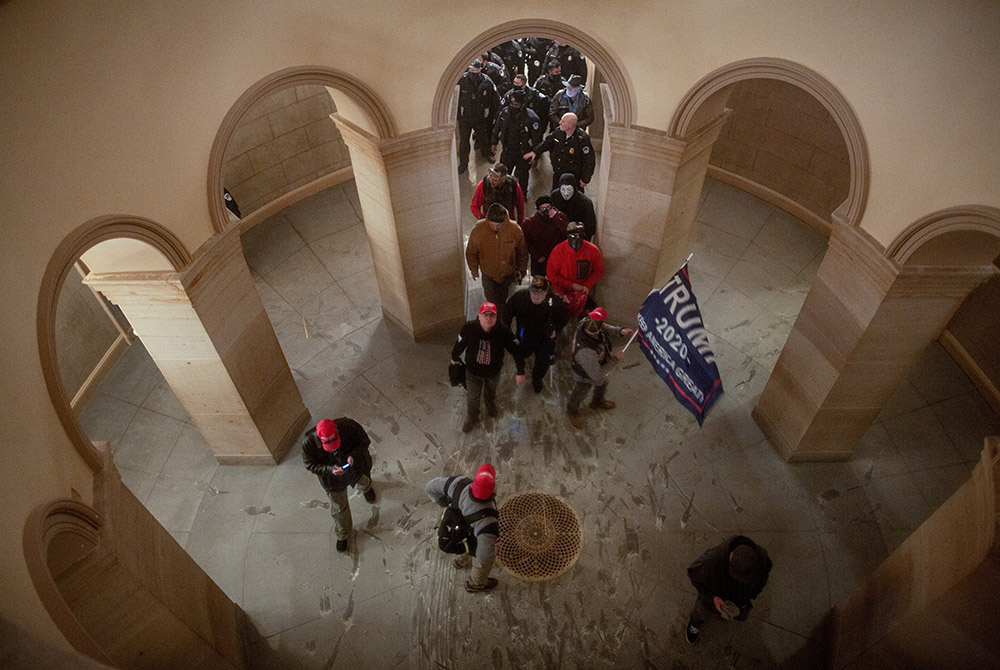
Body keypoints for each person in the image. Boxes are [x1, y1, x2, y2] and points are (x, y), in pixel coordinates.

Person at [301, 418, 376, 553]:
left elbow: (364, 441)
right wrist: (330, 469)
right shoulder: (308, 443)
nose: (333, 447)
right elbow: (310, 465)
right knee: (339, 507)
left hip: (356, 468)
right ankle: (343, 534)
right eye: (328, 443)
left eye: (334, 441)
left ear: (337, 430)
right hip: (332, 479)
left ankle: (367, 489)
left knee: (364, 481)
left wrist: (353, 455)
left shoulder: (349, 426)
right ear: (319, 438)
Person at [451, 302, 526, 432]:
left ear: (496, 317)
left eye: (492, 315)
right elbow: (460, 344)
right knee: (472, 397)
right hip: (473, 372)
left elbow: (515, 351)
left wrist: (520, 371)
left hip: (493, 372)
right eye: (485, 315)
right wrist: (454, 357)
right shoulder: (469, 328)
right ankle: (472, 416)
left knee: (491, 391)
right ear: (479, 316)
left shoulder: (503, 332)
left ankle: (490, 404)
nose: (488, 318)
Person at [426, 464, 500, 592]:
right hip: (472, 537)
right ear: (492, 490)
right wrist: (493, 551)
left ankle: (459, 561)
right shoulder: (488, 522)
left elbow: (430, 487)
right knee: (475, 549)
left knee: (462, 540)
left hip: (457, 530)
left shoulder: (459, 484)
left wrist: (443, 502)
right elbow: (483, 559)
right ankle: (475, 585)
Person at [685, 536, 773, 644]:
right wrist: (713, 598)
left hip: (740, 601)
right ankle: (694, 623)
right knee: (701, 612)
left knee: (737, 615)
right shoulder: (710, 561)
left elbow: (762, 579)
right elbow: (694, 577)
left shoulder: (762, 559)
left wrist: (752, 595)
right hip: (714, 597)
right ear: (730, 556)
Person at [567, 308, 634, 429]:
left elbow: (603, 326)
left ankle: (597, 402)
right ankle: (572, 411)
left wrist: (620, 331)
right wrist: (616, 359)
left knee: (602, 383)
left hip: (596, 365)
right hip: (585, 375)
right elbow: (597, 375)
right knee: (580, 393)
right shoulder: (585, 352)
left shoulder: (586, 322)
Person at [505, 276, 569, 393]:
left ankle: (537, 378)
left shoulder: (554, 302)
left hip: (544, 338)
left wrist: (557, 330)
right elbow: (507, 313)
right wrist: (509, 332)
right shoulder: (520, 297)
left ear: (546, 292)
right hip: (525, 335)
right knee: (519, 353)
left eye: (540, 293)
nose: (535, 295)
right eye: (533, 292)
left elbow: (565, 317)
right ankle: (521, 370)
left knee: (543, 361)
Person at [465, 203, 528, 321]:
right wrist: (473, 268)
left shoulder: (514, 230)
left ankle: (501, 320)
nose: (495, 228)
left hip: (508, 273)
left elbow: (522, 252)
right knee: (492, 300)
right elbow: (471, 251)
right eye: (492, 224)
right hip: (488, 274)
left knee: (506, 298)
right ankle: (499, 321)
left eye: (498, 225)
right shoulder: (479, 230)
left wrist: (521, 270)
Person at [524, 113, 595, 192]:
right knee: (556, 195)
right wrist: (535, 152)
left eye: (563, 121)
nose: (560, 122)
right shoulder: (558, 132)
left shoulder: (582, 139)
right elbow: (547, 143)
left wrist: (585, 179)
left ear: (571, 125)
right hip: (558, 172)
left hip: (574, 176)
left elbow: (589, 160)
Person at [546, 221, 604, 318]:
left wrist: (587, 285)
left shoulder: (592, 250)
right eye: (574, 236)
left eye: (580, 235)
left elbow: (598, 270)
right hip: (561, 291)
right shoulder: (558, 250)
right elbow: (551, 274)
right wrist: (570, 286)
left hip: (582, 292)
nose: (577, 239)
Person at [491, 91, 543, 196]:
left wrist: (536, 156)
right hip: (508, 150)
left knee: (523, 176)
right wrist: (494, 143)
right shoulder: (505, 113)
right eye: (512, 104)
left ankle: (522, 194)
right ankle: (503, 193)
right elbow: (497, 128)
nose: (514, 107)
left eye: (516, 105)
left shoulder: (532, 118)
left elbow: (537, 139)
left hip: (523, 153)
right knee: (504, 174)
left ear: (523, 104)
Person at [457, 60, 499, 173]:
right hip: (465, 117)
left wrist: (494, 115)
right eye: (471, 70)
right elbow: (454, 99)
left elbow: (495, 99)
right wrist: (457, 115)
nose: (473, 72)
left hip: (479, 117)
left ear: (480, 69)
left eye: (475, 70)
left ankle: (486, 154)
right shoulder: (462, 80)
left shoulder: (487, 82)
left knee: (483, 138)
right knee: (464, 142)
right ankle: (463, 163)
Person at [521, 195, 569, 277]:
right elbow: (526, 241)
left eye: (548, 207)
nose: (546, 210)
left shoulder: (561, 217)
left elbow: (567, 232)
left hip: (556, 257)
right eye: (543, 208)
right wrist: (537, 255)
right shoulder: (530, 222)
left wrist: (556, 218)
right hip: (539, 260)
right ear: (538, 210)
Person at [550, 173, 597, 241]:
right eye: (563, 189)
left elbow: (590, 228)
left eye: (569, 190)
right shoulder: (555, 196)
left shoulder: (585, 202)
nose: (565, 194)